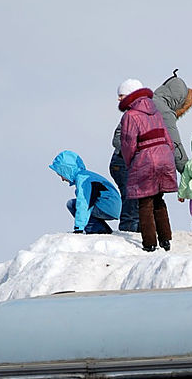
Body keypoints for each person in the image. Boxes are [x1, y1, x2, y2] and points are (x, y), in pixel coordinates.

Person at [118, 84, 178, 252]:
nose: (119, 98)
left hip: (145, 158)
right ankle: (165, 240)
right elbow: (167, 136)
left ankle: (149, 243)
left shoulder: (130, 115)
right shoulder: (156, 111)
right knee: (159, 199)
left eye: (121, 95)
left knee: (145, 202)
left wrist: (130, 162)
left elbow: (128, 143)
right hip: (164, 155)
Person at [49, 150, 121, 234]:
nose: (62, 179)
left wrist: (78, 229)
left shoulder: (83, 179)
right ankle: (101, 228)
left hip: (107, 206)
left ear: (66, 170)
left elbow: (84, 204)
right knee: (81, 205)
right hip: (111, 206)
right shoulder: (86, 176)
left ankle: (97, 231)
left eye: (61, 174)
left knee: (72, 204)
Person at [109, 78, 144, 232]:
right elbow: (117, 139)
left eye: (121, 95)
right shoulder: (129, 116)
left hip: (131, 163)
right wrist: (133, 150)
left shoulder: (138, 114)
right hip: (122, 163)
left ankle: (135, 231)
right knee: (130, 199)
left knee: (136, 200)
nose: (118, 99)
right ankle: (127, 232)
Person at [152, 69, 192, 175]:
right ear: (178, 100)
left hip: (123, 160)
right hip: (140, 165)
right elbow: (175, 145)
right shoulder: (165, 113)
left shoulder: (145, 101)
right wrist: (187, 171)